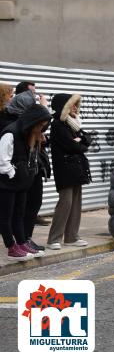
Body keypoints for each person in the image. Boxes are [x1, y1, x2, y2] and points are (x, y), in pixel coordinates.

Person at [0, 104, 51, 260]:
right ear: (33, 121)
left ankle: (21, 243)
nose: (41, 129)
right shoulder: (11, 133)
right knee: (5, 217)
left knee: (19, 215)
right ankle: (11, 247)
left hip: (21, 183)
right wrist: (14, 174)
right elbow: (2, 161)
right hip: (7, 184)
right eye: (40, 125)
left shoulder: (27, 133)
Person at [46, 93, 92, 250]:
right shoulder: (58, 125)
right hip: (65, 170)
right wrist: (79, 143)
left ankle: (71, 237)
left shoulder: (72, 124)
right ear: (63, 106)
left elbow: (87, 140)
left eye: (76, 105)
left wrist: (80, 142)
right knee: (65, 203)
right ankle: (54, 239)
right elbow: (73, 147)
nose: (75, 108)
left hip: (77, 169)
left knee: (76, 204)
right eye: (72, 105)